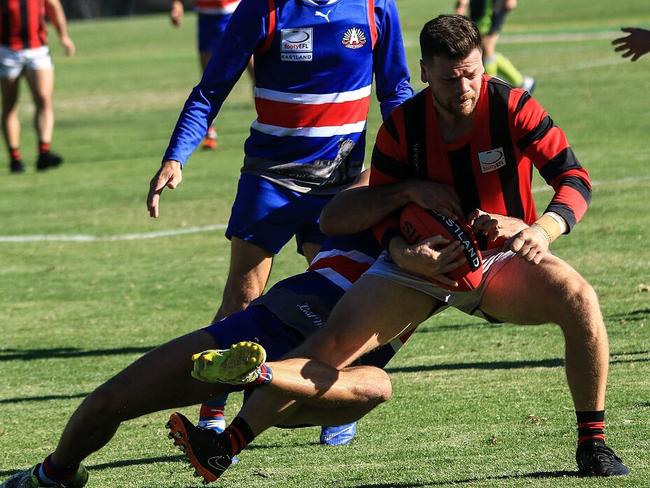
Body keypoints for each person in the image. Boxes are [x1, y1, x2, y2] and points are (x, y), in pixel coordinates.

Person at [172, 14, 629, 481]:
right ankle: (224, 445)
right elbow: (371, 212)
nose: (464, 87)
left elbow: (574, 179)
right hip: (416, 265)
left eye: (472, 72)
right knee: (327, 345)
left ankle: (592, 444)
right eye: (450, 78)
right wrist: (399, 248)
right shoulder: (404, 127)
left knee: (580, 300)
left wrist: (544, 228)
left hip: (498, 258)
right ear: (424, 72)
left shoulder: (511, 106)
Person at [1, 172, 441, 487]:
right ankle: (53, 474)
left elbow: (496, 291)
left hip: (332, 374)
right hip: (275, 321)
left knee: (379, 386)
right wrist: (400, 237)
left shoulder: (471, 232)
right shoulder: (384, 180)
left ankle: (257, 382)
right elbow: (332, 218)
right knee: (107, 402)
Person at [149, 0, 412, 442]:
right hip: (270, 180)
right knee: (243, 300)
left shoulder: (373, 6)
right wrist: (176, 156)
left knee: (339, 305)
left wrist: (412, 154)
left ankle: (335, 400)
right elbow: (212, 88)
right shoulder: (263, 9)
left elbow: (396, 89)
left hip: (341, 186)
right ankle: (214, 407)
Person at [0, 0, 75, 174]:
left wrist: (63, 36)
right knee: (10, 105)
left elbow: (54, 6)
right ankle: (15, 157)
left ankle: (44, 152)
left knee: (44, 99)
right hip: (7, 51)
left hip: (38, 49)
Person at [169, 0, 254, 150]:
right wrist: (177, 4)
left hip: (234, 11)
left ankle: (270, 124)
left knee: (257, 73)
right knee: (208, 80)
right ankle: (209, 132)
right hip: (207, 16)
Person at [454, 0, 535, 93]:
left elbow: (510, 4)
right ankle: (520, 82)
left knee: (485, 48)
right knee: (484, 50)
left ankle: (491, 90)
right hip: (481, 7)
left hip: (490, 8)